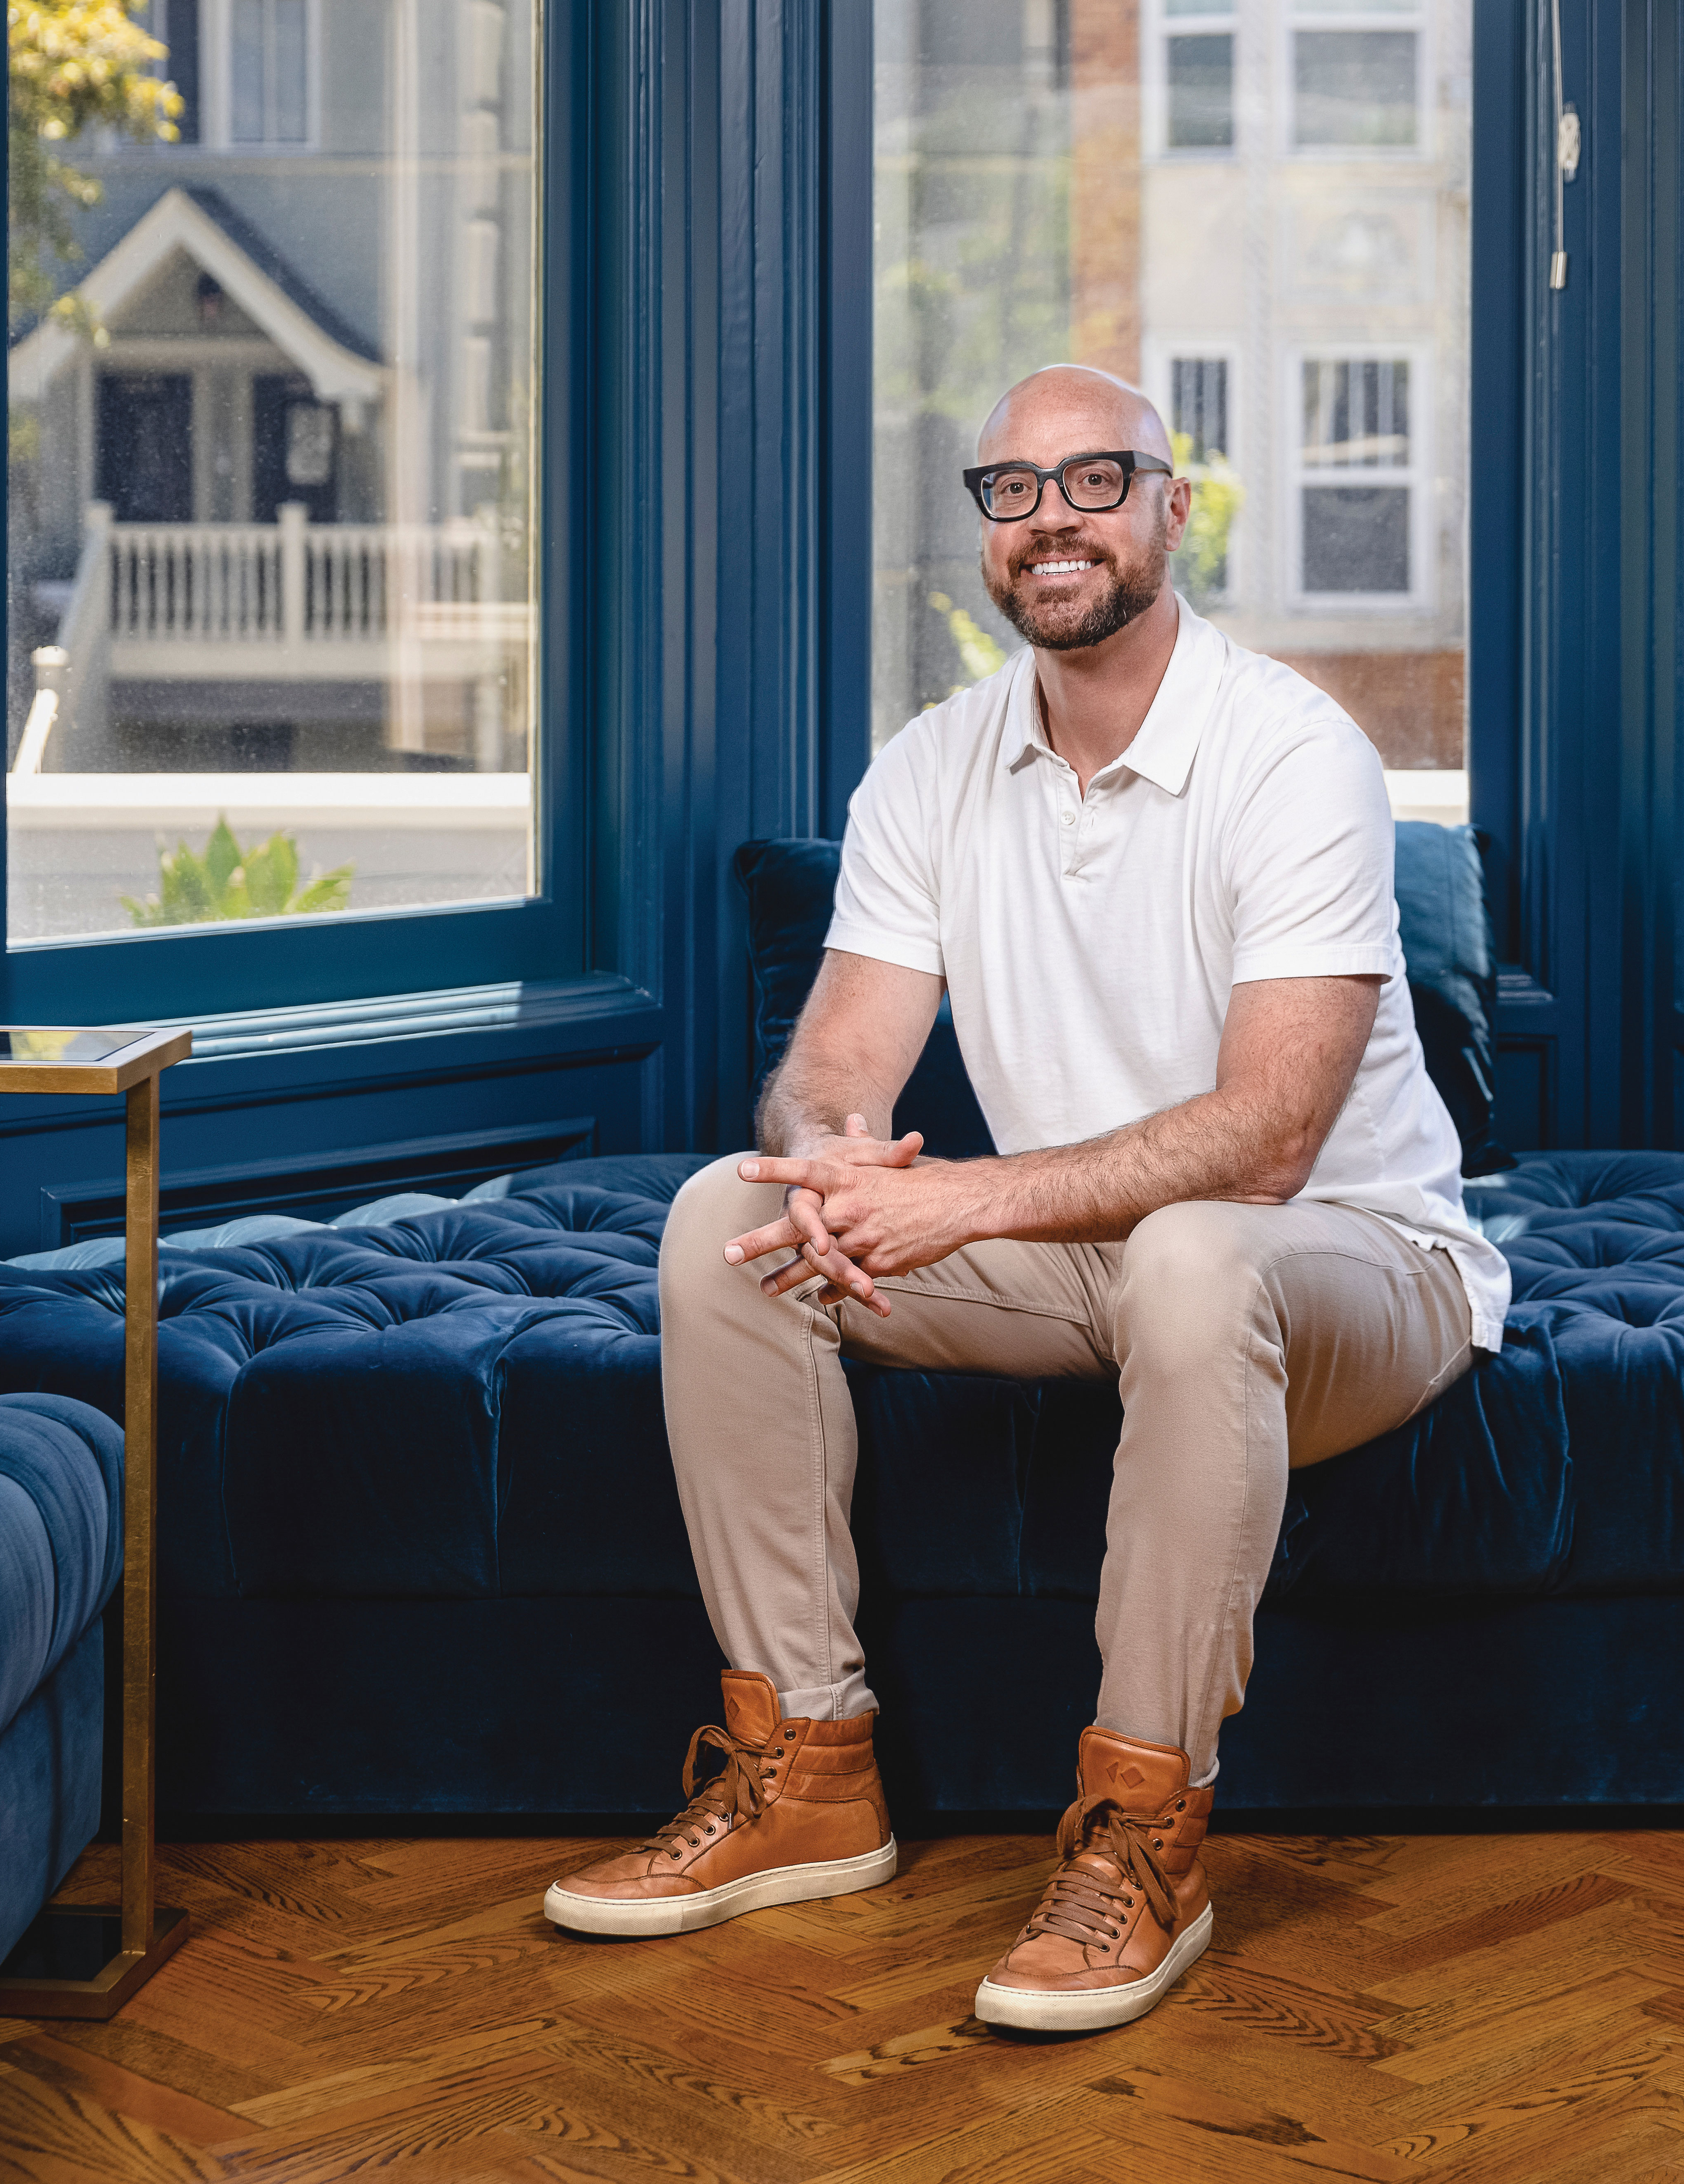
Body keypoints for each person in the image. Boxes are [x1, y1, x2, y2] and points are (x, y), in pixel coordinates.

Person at [543, 363, 1512, 2034]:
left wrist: (971, 1200)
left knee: (1201, 1254)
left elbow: (1271, 1135)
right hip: (1092, 1258)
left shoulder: (1291, 752)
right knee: (727, 1217)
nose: (1050, 517)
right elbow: (833, 1052)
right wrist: (836, 1140)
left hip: (1355, 1262)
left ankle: (1142, 1836)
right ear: (985, 531)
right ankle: (807, 1771)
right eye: (1011, 489)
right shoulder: (931, 767)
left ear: (1168, 509)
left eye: (1094, 478)